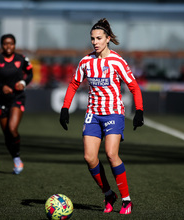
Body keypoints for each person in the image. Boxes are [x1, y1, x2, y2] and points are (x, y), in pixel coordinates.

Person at [59, 18, 144, 215]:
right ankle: (108, 194)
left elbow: (134, 87)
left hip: (114, 113)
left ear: (107, 39)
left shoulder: (117, 61)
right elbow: (73, 85)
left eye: (99, 38)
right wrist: (65, 108)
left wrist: (139, 110)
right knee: (89, 157)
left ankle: (126, 200)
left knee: (111, 154)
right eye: (92, 39)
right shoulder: (86, 61)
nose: (95, 42)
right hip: (93, 114)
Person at [0, 34, 33, 174]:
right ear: (2, 45)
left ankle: (18, 157)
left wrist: (23, 83)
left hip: (17, 97)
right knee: (7, 134)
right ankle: (15, 157)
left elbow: (30, 74)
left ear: (15, 44)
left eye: (11, 43)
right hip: (2, 99)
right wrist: (1, 87)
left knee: (12, 129)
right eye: (5, 44)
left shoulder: (22, 59)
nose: (8, 46)